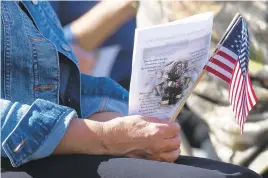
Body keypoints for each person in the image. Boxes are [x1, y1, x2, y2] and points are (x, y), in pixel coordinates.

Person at [0, 1, 262, 178]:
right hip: (21, 152)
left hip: (101, 115)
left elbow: (62, 82)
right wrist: (103, 137)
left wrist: (122, 124)